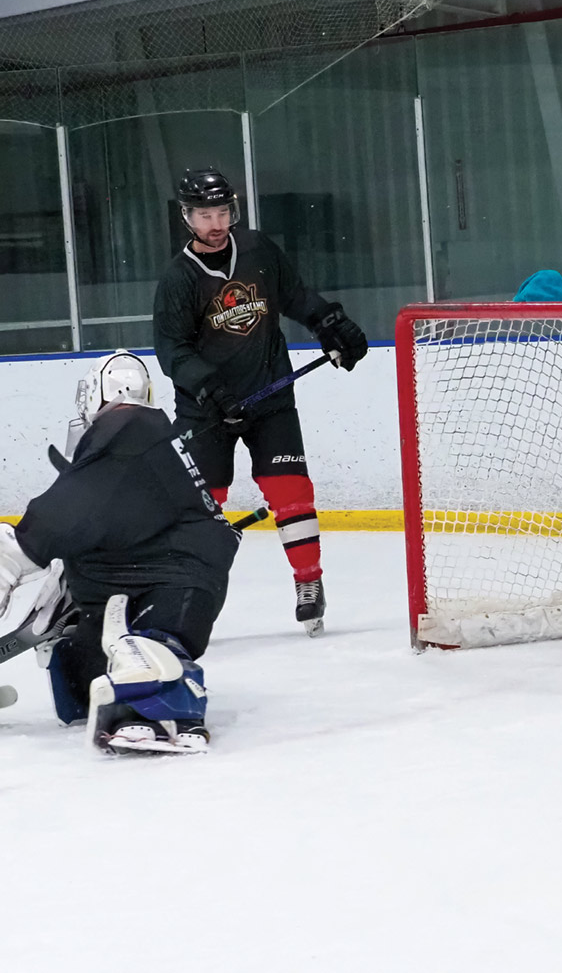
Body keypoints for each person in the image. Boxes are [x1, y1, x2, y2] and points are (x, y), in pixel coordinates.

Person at [153, 168, 368, 636]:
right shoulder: (179, 278)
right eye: (204, 214)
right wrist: (211, 388)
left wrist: (330, 322)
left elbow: (294, 296)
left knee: (291, 492)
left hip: (269, 396)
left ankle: (309, 583)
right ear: (187, 218)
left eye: (222, 212)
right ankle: (183, 599)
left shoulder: (258, 250)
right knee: (202, 508)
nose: (215, 222)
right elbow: (173, 350)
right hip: (206, 410)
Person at [0, 351, 241, 753]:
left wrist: (11, 557)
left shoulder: (128, 427)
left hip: (168, 584)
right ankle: (131, 675)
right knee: (77, 681)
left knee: (146, 652)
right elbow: (110, 515)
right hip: (151, 580)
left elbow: (65, 514)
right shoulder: (147, 431)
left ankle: (158, 693)